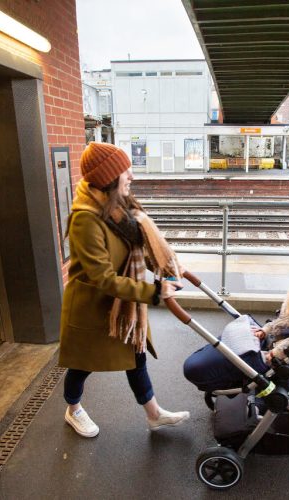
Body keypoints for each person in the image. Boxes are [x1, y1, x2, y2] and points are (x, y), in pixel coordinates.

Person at [59, 142, 189, 438]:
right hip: (93, 308)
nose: (130, 175)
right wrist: (155, 292)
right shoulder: (85, 219)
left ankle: (154, 415)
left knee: (136, 356)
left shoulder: (117, 207)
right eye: (123, 170)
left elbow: (139, 246)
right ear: (108, 178)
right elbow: (103, 278)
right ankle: (73, 409)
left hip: (123, 305)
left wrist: (166, 268)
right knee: (82, 366)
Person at [183, 282, 289, 393]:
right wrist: (264, 330)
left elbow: (285, 350)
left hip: (269, 359)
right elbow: (276, 324)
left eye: (287, 307)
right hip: (266, 344)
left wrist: (273, 354)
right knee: (248, 331)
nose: (284, 309)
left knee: (201, 366)